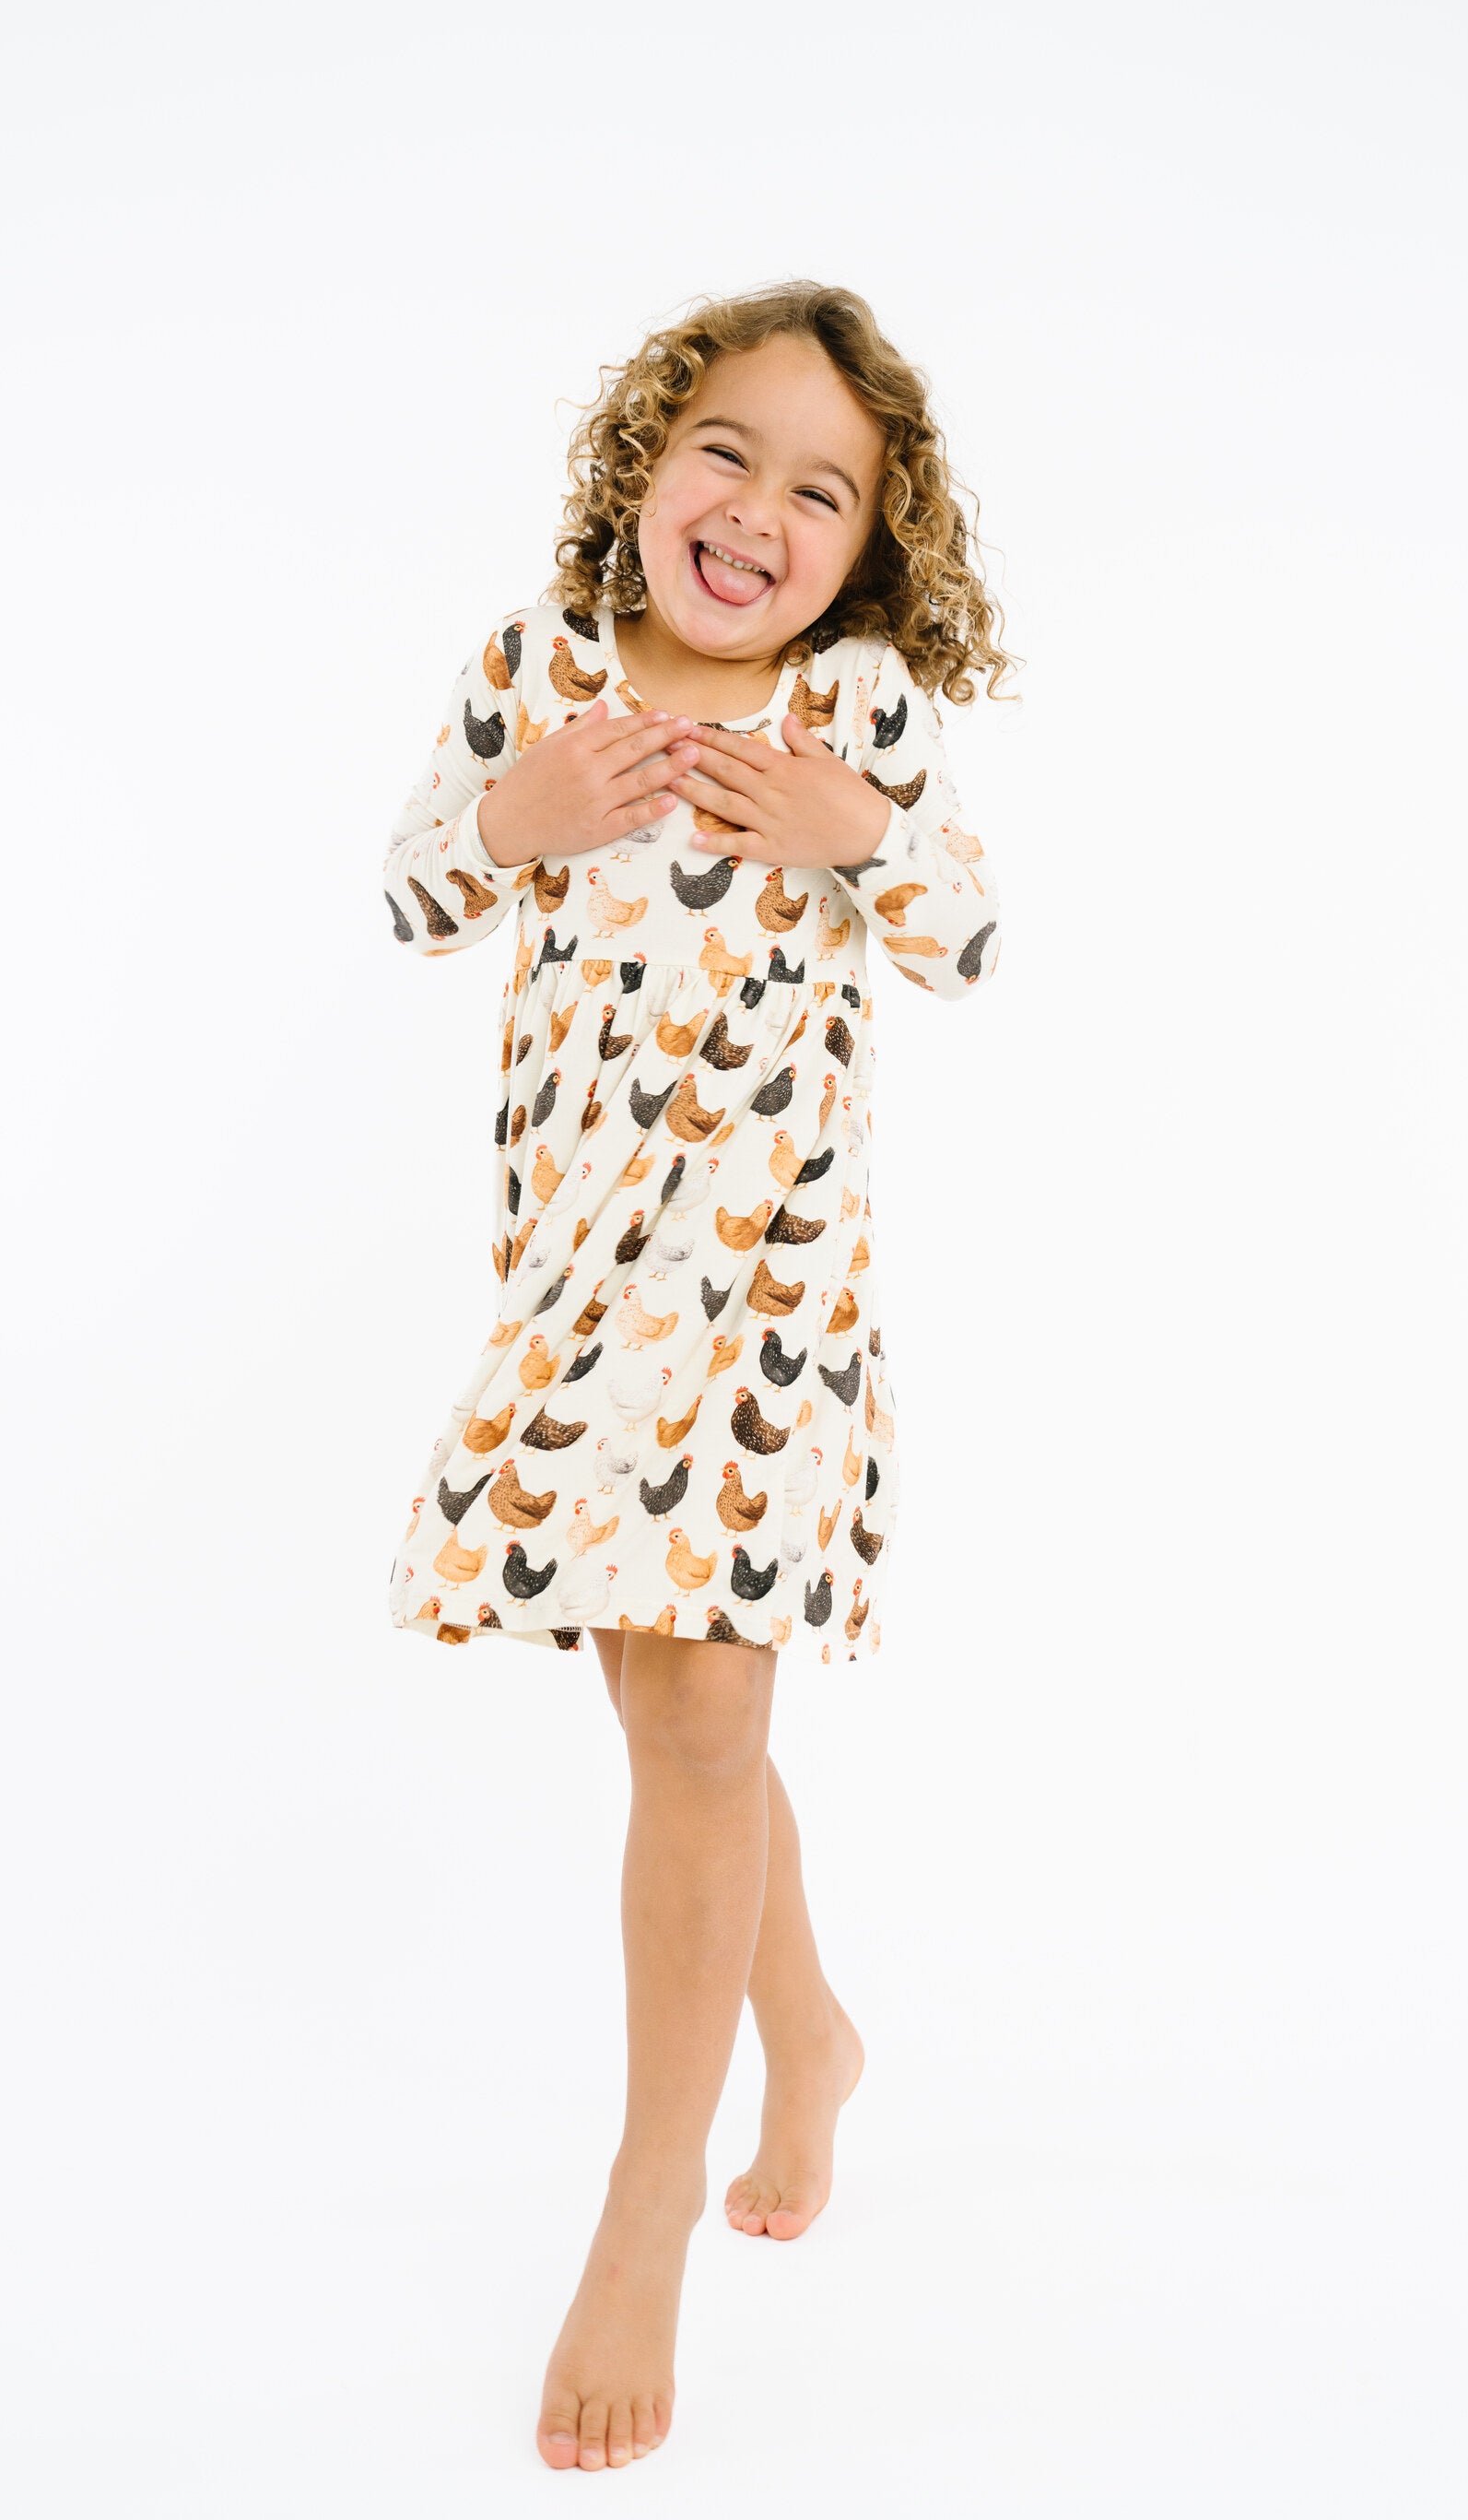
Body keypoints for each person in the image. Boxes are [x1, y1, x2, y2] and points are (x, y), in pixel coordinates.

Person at [381, 279, 1014, 2470]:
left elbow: (970, 933)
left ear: (867, 550)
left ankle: (644, 2207)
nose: (758, 510)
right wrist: (517, 816)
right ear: (645, 465)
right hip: (578, 1294)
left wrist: (863, 836)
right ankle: (808, 2024)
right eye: (725, 451)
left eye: (819, 490)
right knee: (678, 1722)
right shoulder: (536, 673)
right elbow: (413, 896)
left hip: (765, 1298)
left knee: (709, 1716)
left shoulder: (860, 714)